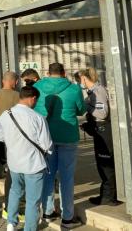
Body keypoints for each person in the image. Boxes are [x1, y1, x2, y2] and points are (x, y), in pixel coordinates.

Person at [33, 62, 85, 227]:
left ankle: (48, 212)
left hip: (46, 136)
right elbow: (80, 110)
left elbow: (34, 109)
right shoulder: (74, 88)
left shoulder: (38, 86)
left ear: (48, 72)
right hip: (68, 135)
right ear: (63, 73)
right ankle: (67, 217)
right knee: (66, 177)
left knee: (48, 174)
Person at [0, 86, 52, 231]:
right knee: (32, 200)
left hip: (14, 163)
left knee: (15, 191)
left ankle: (11, 223)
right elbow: (47, 145)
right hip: (33, 165)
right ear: (33, 98)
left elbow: (0, 137)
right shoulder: (38, 118)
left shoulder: (5, 115)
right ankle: (30, 228)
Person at [79, 68, 119, 206]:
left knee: (106, 165)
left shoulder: (98, 91)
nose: (80, 82)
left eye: (80, 79)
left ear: (84, 78)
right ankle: (107, 194)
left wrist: (87, 106)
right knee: (103, 165)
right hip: (99, 130)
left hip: (104, 131)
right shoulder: (93, 92)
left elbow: (102, 114)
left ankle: (110, 197)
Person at [0, 71, 20, 220]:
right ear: (13, 81)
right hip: (15, 136)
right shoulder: (17, 96)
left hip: (2, 133)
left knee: (5, 160)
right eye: (16, 81)